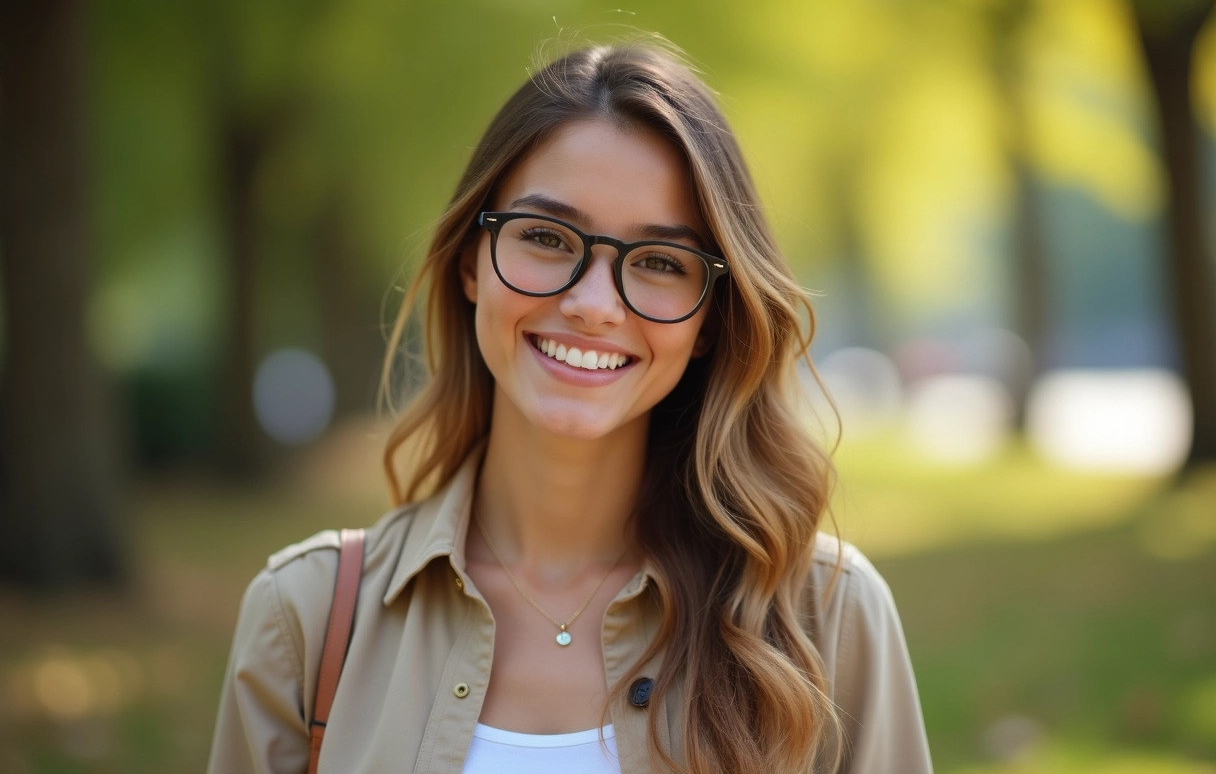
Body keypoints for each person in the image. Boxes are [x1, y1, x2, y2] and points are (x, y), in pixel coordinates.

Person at [207, 40, 933, 774]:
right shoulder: (306, 620)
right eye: (548, 238)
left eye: (658, 262)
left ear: (709, 317)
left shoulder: (827, 621)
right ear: (470, 265)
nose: (592, 306)